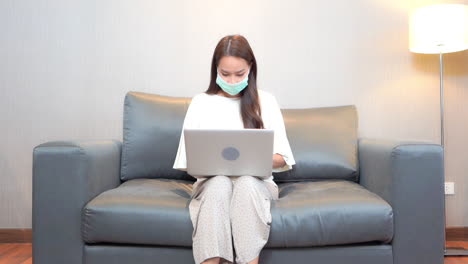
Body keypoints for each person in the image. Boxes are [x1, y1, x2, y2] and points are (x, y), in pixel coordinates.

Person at [172, 34, 296, 264]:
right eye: (225, 74)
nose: (231, 81)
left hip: (257, 185)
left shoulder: (265, 101)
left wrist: (254, 158)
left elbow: (283, 159)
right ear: (215, 70)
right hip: (211, 185)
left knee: (247, 183)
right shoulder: (201, 102)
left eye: (239, 74)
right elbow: (188, 162)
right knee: (219, 183)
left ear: (250, 68)